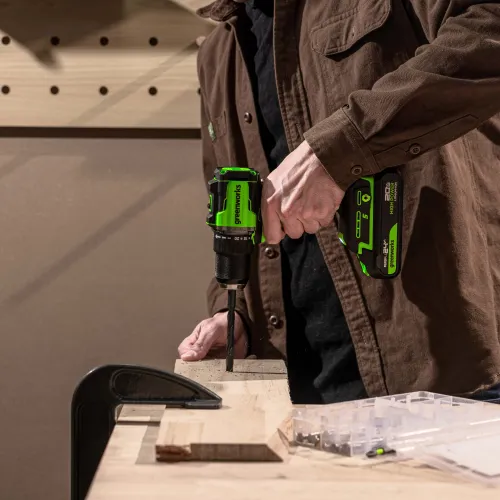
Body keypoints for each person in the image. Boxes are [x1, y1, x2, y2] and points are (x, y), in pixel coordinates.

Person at [178, 0, 500, 405]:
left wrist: (335, 152)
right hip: (297, 389)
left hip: (436, 372)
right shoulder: (217, 53)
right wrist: (236, 311)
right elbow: (237, 214)